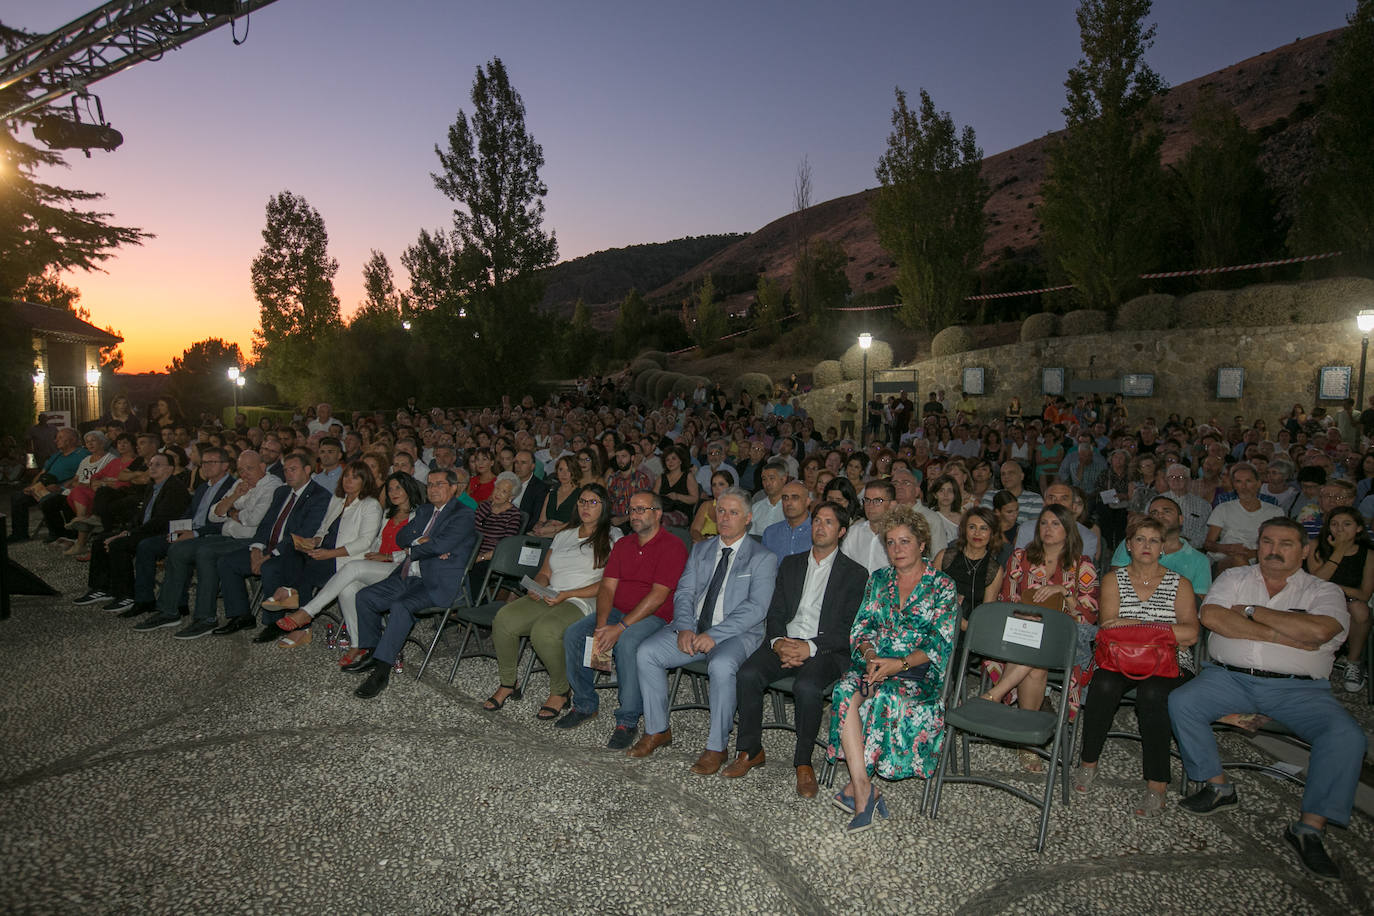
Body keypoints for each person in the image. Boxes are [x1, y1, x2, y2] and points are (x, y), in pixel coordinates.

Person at [1169, 518, 1365, 883]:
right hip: (1228, 677)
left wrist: (1248, 611)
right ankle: (1217, 785)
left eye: (1286, 543)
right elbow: (1213, 617)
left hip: (1300, 689)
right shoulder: (1234, 578)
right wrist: (1288, 634)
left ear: (1305, 550)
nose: (1275, 550)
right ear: (1258, 544)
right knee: (1183, 702)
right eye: (1268, 541)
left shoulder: (1324, 591)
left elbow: (1321, 630)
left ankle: (1309, 827)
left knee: (1347, 737)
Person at [826, 506, 958, 833]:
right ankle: (863, 788)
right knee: (844, 691)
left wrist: (897, 664)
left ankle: (857, 793)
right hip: (874, 664)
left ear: (922, 545)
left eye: (905, 542)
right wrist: (871, 655)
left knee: (882, 695)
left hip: (917, 672)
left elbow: (940, 642)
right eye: (891, 543)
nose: (897, 549)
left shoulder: (942, 586)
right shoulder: (879, 580)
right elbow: (861, 628)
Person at [628, 487, 778, 773]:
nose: (725, 518)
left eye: (733, 513)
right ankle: (658, 729)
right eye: (720, 511)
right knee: (647, 652)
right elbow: (684, 592)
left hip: (736, 634)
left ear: (747, 518)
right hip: (695, 627)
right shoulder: (701, 549)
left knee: (722, 666)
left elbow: (756, 608)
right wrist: (685, 627)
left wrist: (715, 635)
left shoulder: (762, 557)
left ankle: (716, 747)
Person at [727, 501, 868, 797]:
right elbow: (775, 611)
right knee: (748, 674)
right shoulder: (791, 563)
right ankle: (750, 750)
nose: (820, 526)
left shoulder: (855, 574)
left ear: (841, 531)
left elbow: (848, 629)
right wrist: (779, 643)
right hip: (786, 641)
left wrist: (809, 648)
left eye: (829, 522)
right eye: (817, 520)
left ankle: (803, 763)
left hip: (826, 649)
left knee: (807, 687)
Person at [1074, 518, 1199, 818]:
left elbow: (1191, 634)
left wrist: (1136, 626)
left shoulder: (1179, 584)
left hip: (1170, 662)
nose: (1146, 546)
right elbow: (1108, 626)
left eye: (1154, 540)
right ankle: (1088, 762)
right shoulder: (1113, 580)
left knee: (1154, 695)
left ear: (1162, 548)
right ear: (1128, 545)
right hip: (1119, 656)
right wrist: (1163, 630)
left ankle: (1157, 784)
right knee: (1103, 685)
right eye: (1140, 539)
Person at [557, 491, 689, 749]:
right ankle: (584, 704)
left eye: (641, 509)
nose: (634, 515)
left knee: (627, 643)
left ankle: (627, 720)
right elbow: (607, 587)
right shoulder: (624, 544)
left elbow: (659, 595)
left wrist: (619, 628)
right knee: (575, 634)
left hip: (655, 616)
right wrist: (602, 625)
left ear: (658, 514)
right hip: (617, 611)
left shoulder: (673, 546)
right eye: (631, 510)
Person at [485, 483, 618, 717]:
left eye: (593, 502)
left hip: (584, 599)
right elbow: (545, 572)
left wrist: (566, 595)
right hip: (552, 593)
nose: (586, 507)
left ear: (604, 506)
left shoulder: (613, 536)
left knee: (544, 632)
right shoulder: (564, 535)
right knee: (504, 619)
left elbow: (610, 583)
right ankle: (508, 683)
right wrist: (538, 587)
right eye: (582, 501)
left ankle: (560, 690)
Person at [984, 504, 1099, 770]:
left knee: (1038, 657)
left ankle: (994, 696)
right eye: (1044, 523)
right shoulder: (1021, 557)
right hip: (1021, 631)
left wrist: (1064, 593)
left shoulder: (1083, 565)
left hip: (1062, 639)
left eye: (1055, 524)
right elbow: (1007, 599)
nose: (1048, 529)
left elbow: (1088, 615)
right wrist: (1025, 615)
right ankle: (1026, 742)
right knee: (1035, 665)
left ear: (1068, 529)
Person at [347, 467, 478, 699]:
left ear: (454, 488)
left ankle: (382, 670)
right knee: (365, 597)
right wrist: (422, 543)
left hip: (437, 582)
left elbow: (439, 545)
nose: (433, 489)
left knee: (401, 606)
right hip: (408, 574)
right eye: (430, 484)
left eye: (439, 484)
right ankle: (373, 651)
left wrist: (426, 546)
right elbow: (402, 538)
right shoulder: (425, 510)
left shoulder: (463, 514)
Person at [276, 473, 424, 664]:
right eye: (390, 488)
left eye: (398, 488)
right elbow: (374, 544)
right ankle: (358, 644)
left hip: (399, 569)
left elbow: (419, 551)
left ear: (409, 489)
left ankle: (308, 611)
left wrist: (388, 556)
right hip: (377, 567)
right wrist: (371, 556)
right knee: (347, 588)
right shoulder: (388, 515)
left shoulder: (419, 516)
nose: (393, 492)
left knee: (353, 567)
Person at [137, 449, 279, 633]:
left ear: (262, 466)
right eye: (241, 469)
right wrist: (234, 498)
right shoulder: (240, 484)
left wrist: (229, 511)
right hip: (228, 535)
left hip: (251, 540)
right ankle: (168, 610)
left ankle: (206, 617)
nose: (244, 474)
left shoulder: (272, 485)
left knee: (206, 553)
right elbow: (213, 515)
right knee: (178, 549)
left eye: (249, 468)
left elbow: (254, 520)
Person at [262, 461, 386, 647]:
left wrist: (329, 553)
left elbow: (364, 542)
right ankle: (291, 594)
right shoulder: (338, 500)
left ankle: (298, 617)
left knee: (309, 571)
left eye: (355, 477)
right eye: (346, 476)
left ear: (364, 481)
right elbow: (324, 528)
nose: (348, 481)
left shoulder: (370, 505)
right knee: (291, 550)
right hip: (324, 550)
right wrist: (315, 541)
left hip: (344, 558)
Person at [214, 453, 333, 644]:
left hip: (293, 552)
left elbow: (303, 533)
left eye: (293, 469)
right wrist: (256, 549)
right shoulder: (282, 492)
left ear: (307, 470)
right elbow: (267, 524)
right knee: (227, 562)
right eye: (285, 470)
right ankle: (241, 615)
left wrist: (269, 555)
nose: (288, 474)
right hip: (268, 547)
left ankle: (274, 624)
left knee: (270, 568)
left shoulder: (320, 496)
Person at [71, 453, 189, 613]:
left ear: (170, 469)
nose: (152, 468)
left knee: (119, 545)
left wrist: (129, 534)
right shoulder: (153, 486)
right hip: (146, 529)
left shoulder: (174, 488)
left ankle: (126, 595)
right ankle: (102, 588)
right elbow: (141, 516)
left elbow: (161, 520)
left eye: (157, 465)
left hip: (162, 532)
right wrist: (126, 530)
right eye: (151, 464)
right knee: (100, 540)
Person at [1305, 506, 1373, 693]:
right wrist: (1339, 551)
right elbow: (1316, 582)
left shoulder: (1368, 554)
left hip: (1350, 601)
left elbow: (1364, 594)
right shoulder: (1316, 545)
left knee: (1360, 609)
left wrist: (1335, 587)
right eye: (1334, 524)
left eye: (1347, 524)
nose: (1339, 529)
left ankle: (1354, 662)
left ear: (1359, 528)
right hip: (1317, 598)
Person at [1107, 495, 1212, 598]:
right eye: (1154, 513)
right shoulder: (1133, 544)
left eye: (1166, 511)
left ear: (1181, 519)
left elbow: (1199, 601)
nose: (1160, 516)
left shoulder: (1200, 560)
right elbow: (1115, 586)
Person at [8, 427, 89, 543]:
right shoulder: (56, 456)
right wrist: (33, 486)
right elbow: (42, 473)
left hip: (62, 489)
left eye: (60, 437)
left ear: (72, 439)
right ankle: (19, 534)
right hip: (44, 487)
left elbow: (81, 476)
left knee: (48, 500)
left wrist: (61, 487)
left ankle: (58, 533)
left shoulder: (83, 455)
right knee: (18, 497)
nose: (56, 440)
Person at [1204, 463, 1284, 571]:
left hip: (1261, 559)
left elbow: (1280, 544)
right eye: (1238, 482)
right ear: (1234, 485)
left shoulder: (1275, 512)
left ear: (1258, 483)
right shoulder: (1223, 508)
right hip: (1226, 559)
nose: (1243, 487)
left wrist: (1253, 553)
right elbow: (1208, 544)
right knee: (1239, 559)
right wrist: (1227, 548)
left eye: (1248, 481)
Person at [932, 507, 1005, 624]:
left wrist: (961, 622)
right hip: (937, 621)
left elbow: (985, 616)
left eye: (984, 528)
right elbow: (929, 595)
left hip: (969, 630)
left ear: (992, 533)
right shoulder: (944, 557)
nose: (977, 533)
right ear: (964, 530)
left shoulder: (994, 570)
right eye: (972, 527)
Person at [842, 479, 896, 573]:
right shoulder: (853, 532)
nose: (870, 506)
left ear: (892, 505)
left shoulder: (898, 536)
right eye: (867, 500)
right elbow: (843, 566)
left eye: (877, 501)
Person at [761, 481, 812, 565]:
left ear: (807, 501)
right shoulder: (770, 533)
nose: (788, 503)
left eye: (795, 497)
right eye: (785, 498)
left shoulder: (818, 531)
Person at [532, 455, 579, 537]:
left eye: (568, 470)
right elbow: (542, 520)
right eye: (561, 469)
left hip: (568, 535)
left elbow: (577, 522)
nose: (564, 474)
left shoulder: (580, 494)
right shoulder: (551, 494)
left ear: (574, 471)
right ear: (556, 471)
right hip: (547, 533)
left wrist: (554, 529)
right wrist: (538, 526)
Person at [656, 444, 699, 528]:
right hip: (662, 509)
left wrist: (678, 496)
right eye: (667, 460)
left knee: (662, 520)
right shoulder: (661, 477)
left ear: (680, 461)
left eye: (673, 459)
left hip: (682, 512)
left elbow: (695, 498)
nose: (670, 462)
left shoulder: (688, 476)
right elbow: (653, 497)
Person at [690, 470, 732, 543]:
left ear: (730, 487)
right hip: (702, 545)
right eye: (714, 485)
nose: (717, 488)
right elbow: (694, 530)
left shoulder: (736, 509)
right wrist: (703, 542)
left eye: (721, 484)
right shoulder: (706, 505)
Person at [748, 460, 789, 534]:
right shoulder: (756, 507)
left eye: (772, 478)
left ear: (783, 479)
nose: (767, 483)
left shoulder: (790, 507)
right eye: (764, 479)